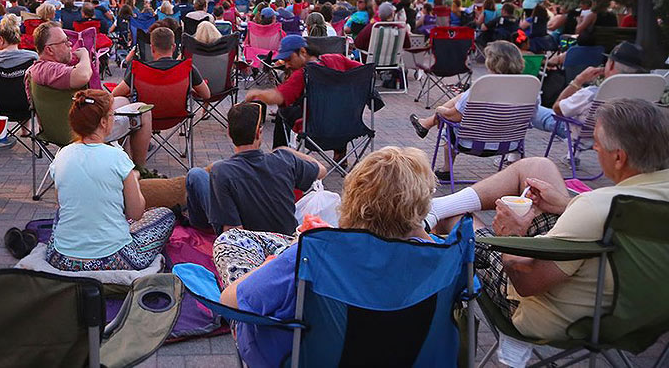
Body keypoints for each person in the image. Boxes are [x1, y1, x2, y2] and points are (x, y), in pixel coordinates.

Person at [427, 99, 669, 340]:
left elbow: (527, 284)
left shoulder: (597, 206)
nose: (594, 148)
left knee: (459, 220)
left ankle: (431, 221)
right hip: (649, 314)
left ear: (619, 158)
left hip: (553, 315)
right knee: (539, 167)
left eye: (596, 144)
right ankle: (435, 209)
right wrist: (566, 205)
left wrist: (509, 237)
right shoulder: (624, 203)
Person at [216, 146, 439, 368]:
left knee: (234, 252)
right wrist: (415, 225)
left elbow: (230, 301)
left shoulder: (313, 255)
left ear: (352, 198)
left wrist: (273, 262)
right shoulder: (440, 261)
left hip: (302, 356)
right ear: (421, 209)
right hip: (403, 354)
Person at [44, 88, 176, 271]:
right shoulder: (118, 158)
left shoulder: (62, 155)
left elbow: (60, 202)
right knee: (165, 216)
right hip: (112, 258)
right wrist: (134, 183)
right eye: (113, 114)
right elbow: (136, 213)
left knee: (64, 214)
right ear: (104, 122)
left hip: (60, 257)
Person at [27, 22, 154, 170]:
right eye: (64, 41)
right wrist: (85, 56)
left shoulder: (35, 70)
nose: (69, 44)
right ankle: (139, 172)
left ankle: (120, 169)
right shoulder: (49, 70)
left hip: (57, 129)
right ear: (49, 49)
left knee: (123, 101)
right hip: (83, 131)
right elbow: (83, 75)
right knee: (143, 111)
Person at [186, 102, 325, 235]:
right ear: (259, 132)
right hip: (285, 238)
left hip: (249, 245)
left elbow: (233, 232)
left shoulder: (222, 170)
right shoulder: (284, 158)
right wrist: (288, 151)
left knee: (195, 175)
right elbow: (322, 170)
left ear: (229, 133)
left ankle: (202, 231)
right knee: (201, 175)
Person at [409, 41, 531, 179]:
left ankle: (446, 169)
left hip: (470, 143)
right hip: (510, 143)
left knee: (448, 126)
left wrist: (439, 110)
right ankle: (426, 123)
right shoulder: (529, 89)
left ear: (492, 62)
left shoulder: (481, 88)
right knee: (461, 97)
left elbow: (453, 116)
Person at [244, 34, 361, 152]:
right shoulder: (336, 59)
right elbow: (364, 72)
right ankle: (340, 154)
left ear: (303, 52)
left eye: (289, 59)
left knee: (282, 112)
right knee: (336, 107)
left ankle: (279, 155)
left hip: (315, 131)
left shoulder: (302, 75)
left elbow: (277, 97)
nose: (287, 64)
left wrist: (257, 94)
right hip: (347, 127)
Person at [111, 25, 210, 103]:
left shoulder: (139, 69)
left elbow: (115, 94)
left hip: (148, 115)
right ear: (174, 47)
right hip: (177, 115)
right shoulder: (187, 68)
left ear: (152, 48)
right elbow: (206, 95)